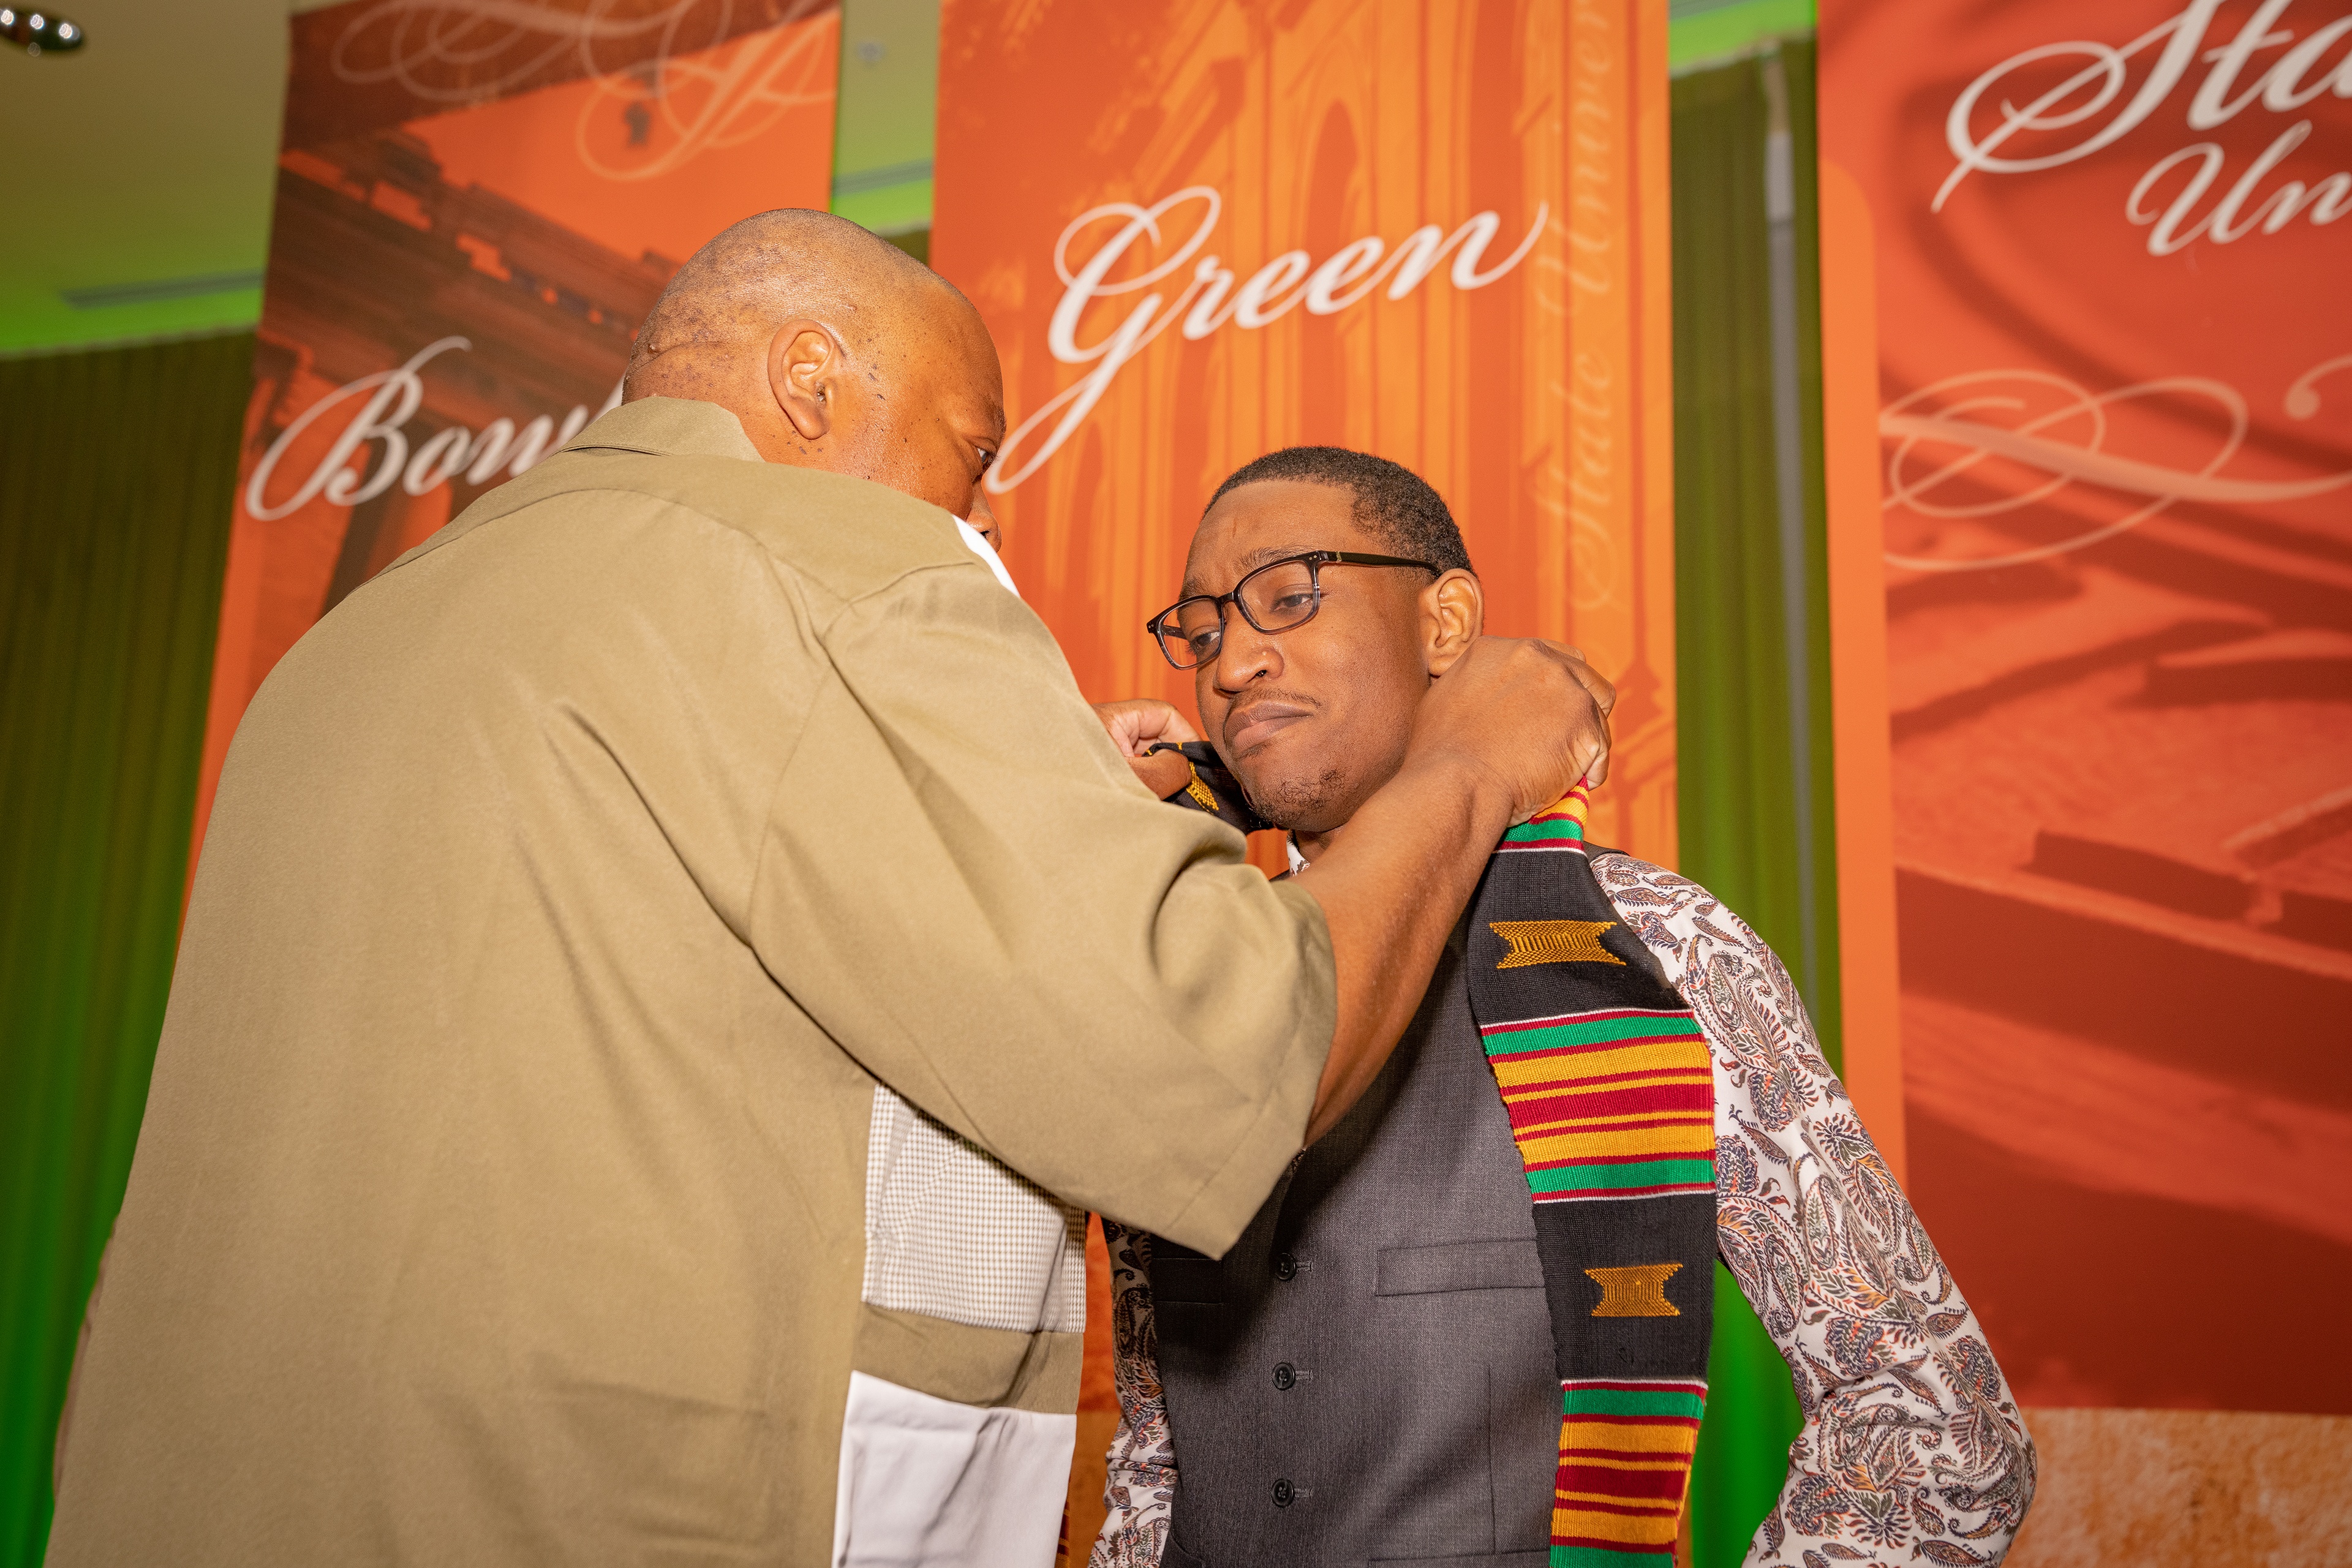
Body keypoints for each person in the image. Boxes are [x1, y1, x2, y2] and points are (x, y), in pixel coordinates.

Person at [43, 217, 1619, 1568]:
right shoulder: (847, 574)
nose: (981, 515)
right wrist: (1466, 763)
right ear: (813, 382)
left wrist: (1030, 810)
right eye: (975, 452)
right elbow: (1214, 1059)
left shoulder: (351, 645)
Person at [1088, 448, 2037, 1568]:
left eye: (1290, 597)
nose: (1234, 658)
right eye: (1201, 628)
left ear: (1446, 623)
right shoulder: (1190, 971)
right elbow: (1158, 1457)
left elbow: (1939, 1426)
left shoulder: (1655, 948)